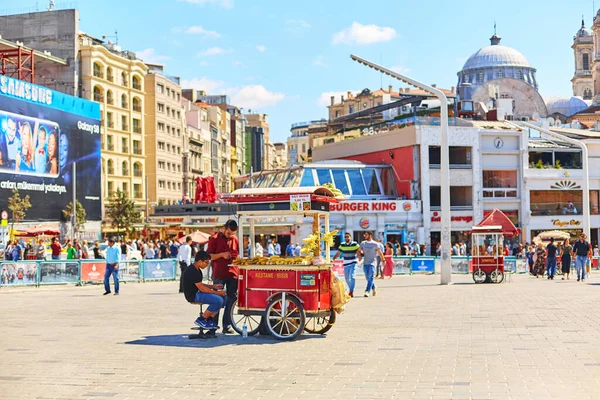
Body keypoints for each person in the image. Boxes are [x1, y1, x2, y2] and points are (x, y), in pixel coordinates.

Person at [207, 220, 239, 333]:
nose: (230, 236)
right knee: (217, 299)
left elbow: (238, 254)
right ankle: (213, 326)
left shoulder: (235, 239)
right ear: (224, 228)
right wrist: (221, 255)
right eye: (229, 233)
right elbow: (209, 256)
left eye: (233, 234)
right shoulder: (214, 239)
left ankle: (227, 325)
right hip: (219, 273)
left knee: (231, 299)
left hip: (233, 274)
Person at [182, 250, 226, 330]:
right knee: (218, 300)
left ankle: (210, 320)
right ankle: (201, 319)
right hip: (193, 296)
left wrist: (213, 286)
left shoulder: (197, 269)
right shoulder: (192, 271)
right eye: (206, 262)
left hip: (198, 292)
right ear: (199, 261)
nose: (207, 264)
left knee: (223, 298)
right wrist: (217, 293)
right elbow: (201, 288)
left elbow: (199, 284)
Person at [333, 233, 360, 297]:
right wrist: (333, 258)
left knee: (352, 277)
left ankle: (351, 291)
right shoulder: (342, 245)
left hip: (353, 262)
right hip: (346, 263)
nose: (346, 238)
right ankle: (351, 289)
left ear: (350, 237)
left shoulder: (355, 244)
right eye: (345, 237)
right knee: (347, 278)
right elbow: (338, 253)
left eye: (348, 237)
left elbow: (359, 251)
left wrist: (361, 254)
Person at [359, 231, 385, 298]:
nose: (365, 236)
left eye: (366, 235)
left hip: (373, 263)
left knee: (371, 277)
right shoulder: (363, 243)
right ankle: (373, 287)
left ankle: (367, 291)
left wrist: (383, 260)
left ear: (370, 235)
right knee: (368, 278)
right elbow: (359, 250)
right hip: (365, 263)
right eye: (364, 234)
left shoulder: (375, 244)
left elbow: (380, 252)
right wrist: (360, 254)